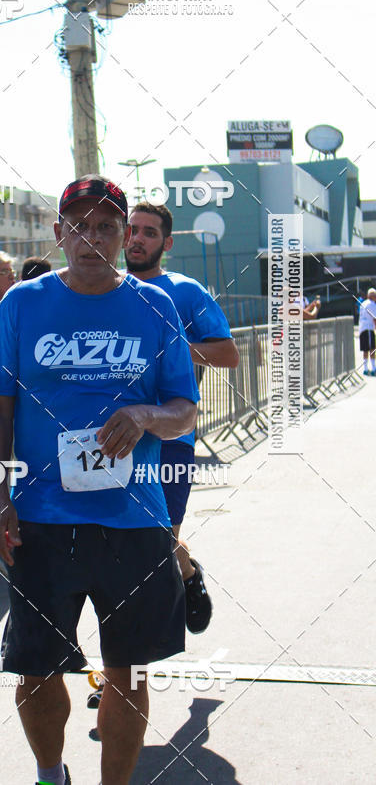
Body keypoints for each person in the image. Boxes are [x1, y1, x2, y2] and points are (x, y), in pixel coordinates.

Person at [0, 176, 199, 785]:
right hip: (43, 520)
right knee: (35, 671)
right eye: (78, 225)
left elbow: (186, 409)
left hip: (134, 522)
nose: (91, 238)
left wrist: (145, 415)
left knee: (129, 674)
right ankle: (52, 774)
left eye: (106, 226)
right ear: (58, 235)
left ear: (126, 237)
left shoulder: (157, 307)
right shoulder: (22, 304)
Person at [125, 202, 239, 634]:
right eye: (132, 230)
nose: (137, 238)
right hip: (114, 437)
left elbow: (227, 353)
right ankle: (124, 663)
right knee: (122, 545)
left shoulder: (185, 291)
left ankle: (186, 573)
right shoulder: (101, 290)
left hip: (171, 435)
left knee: (160, 538)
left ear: (167, 243)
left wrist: (172, 352)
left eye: (149, 232)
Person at [358, 287, 376, 376]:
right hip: (369, 328)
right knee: (372, 349)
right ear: (373, 296)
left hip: (362, 328)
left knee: (365, 349)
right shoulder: (372, 304)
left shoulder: (363, 304)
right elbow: (375, 318)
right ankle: (373, 368)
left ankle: (365, 368)